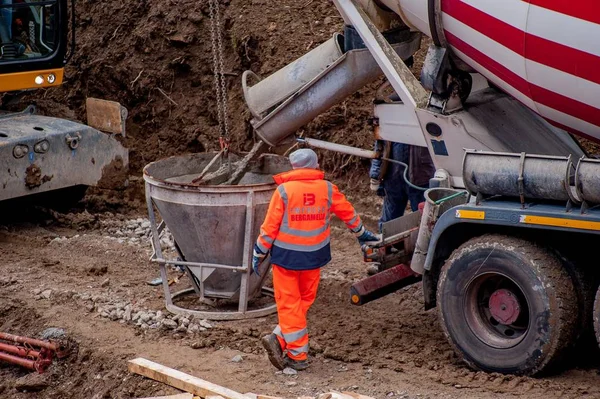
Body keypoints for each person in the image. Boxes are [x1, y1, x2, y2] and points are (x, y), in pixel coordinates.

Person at [253, 148, 379, 371]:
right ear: (315, 164)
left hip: (287, 259)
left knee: (290, 303)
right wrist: (362, 233)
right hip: (314, 257)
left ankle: (297, 355)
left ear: (293, 166)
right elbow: (347, 212)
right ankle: (280, 337)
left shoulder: (283, 191)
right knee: (304, 300)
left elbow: (270, 227)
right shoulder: (327, 189)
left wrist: (259, 252)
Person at [368, 140, 435, 274]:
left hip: (420, 177)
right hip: (394, 177)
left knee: (424, 220)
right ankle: (382, 258)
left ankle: (425, 260)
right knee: (389, 220)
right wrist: (375, 174)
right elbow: (380, 146)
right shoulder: (391, 122)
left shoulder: (422, 120)